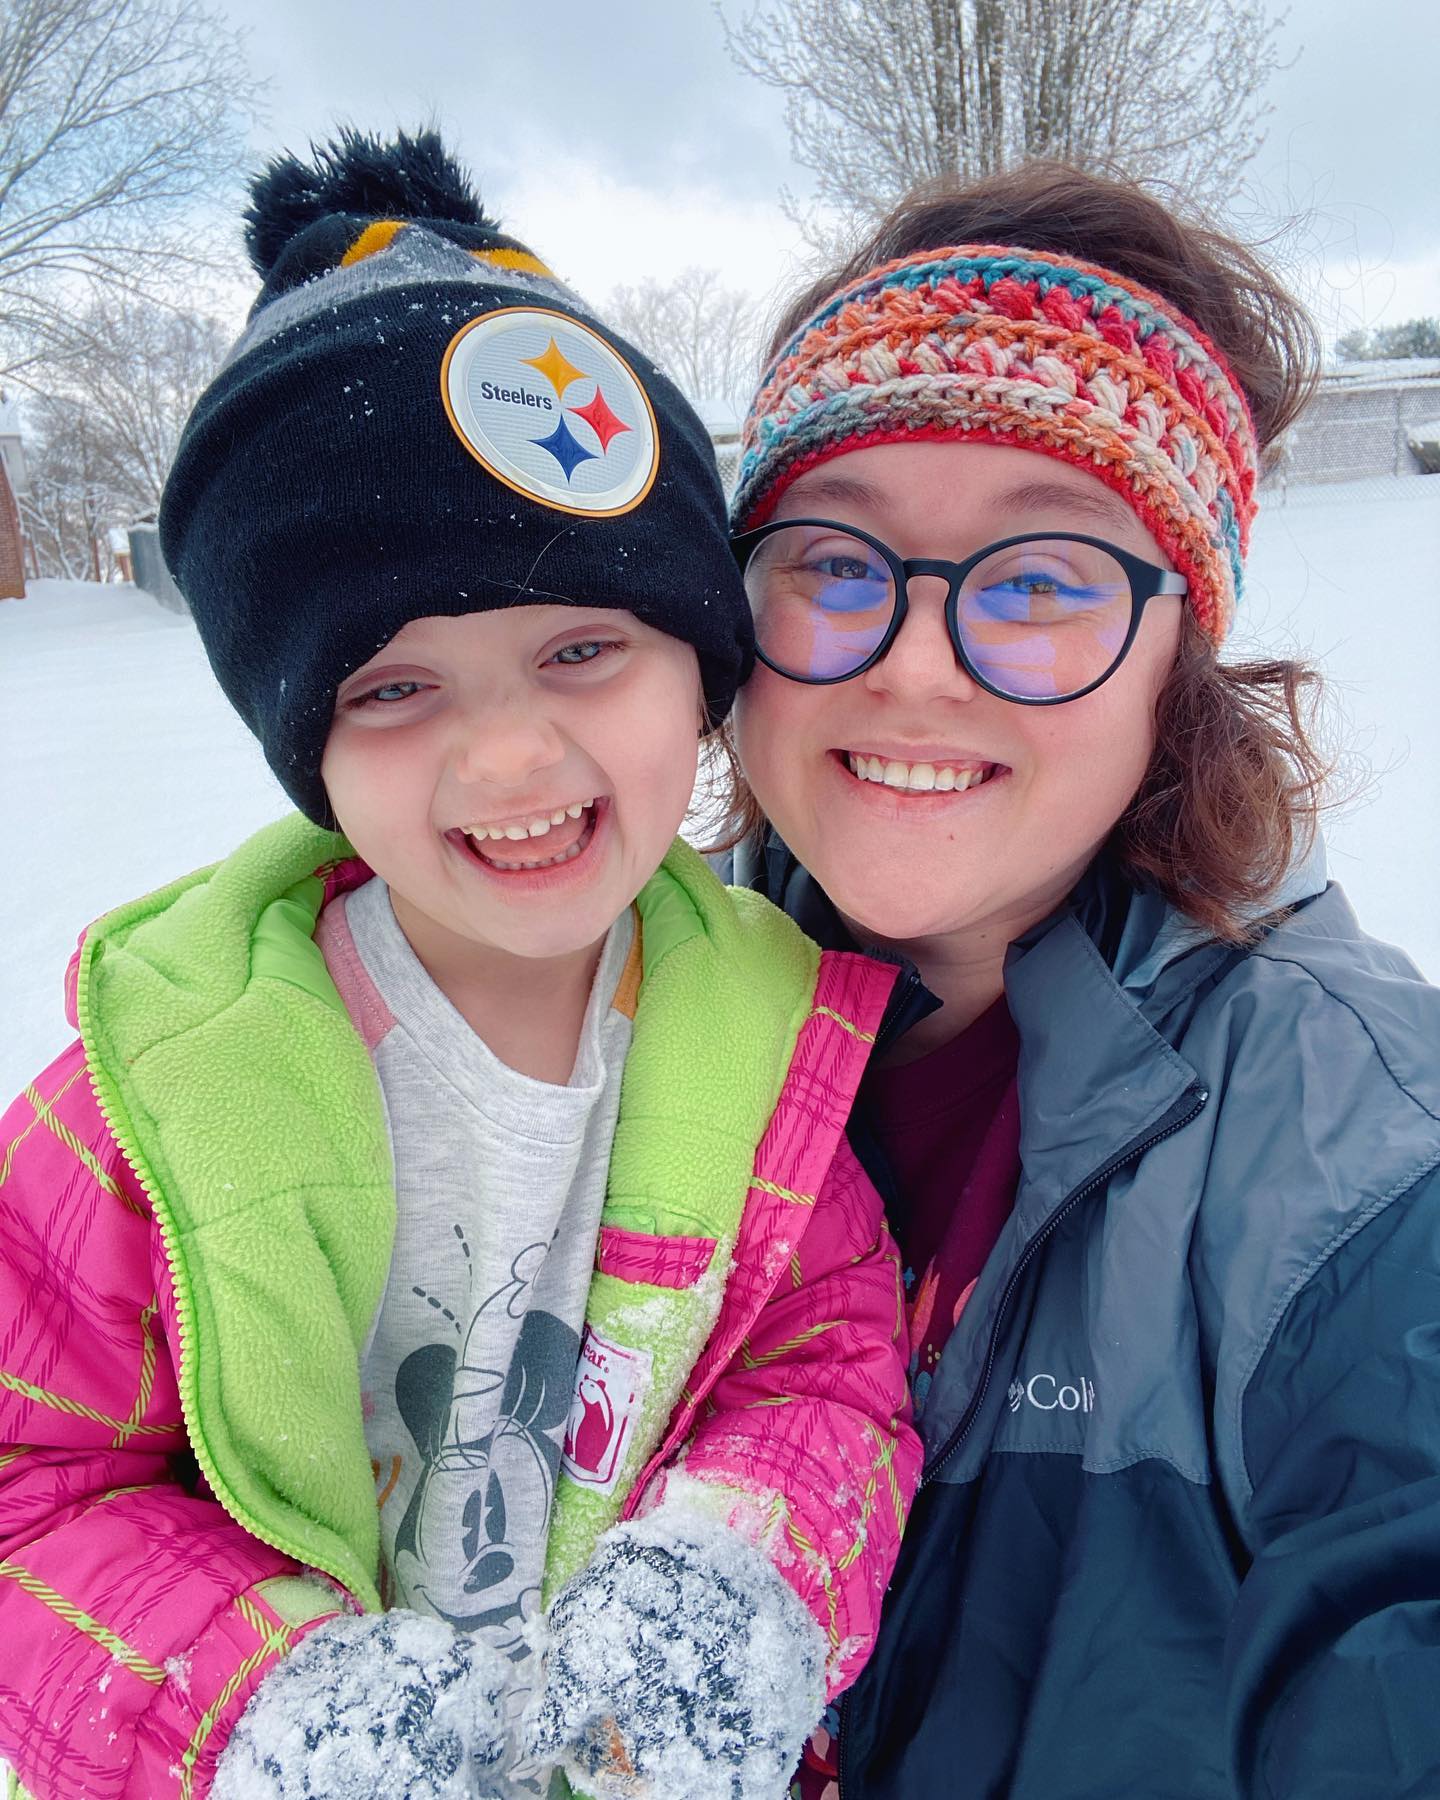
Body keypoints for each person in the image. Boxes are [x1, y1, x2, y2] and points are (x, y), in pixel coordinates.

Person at [0, 131, 920, 1800]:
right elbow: (30, 1487)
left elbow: (826, 1365)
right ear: (309, 748)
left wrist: (739, 1576)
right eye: (396, 690)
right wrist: (268, 1716)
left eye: (582, 649)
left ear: (697, 670)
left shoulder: (767, 1042)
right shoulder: (154, 1105)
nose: (511, 762)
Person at [721, 162, 1440, 1799]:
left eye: (1040, 581)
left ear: (1176, 663)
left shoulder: (1365, 1154)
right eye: (834, 561)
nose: (909, 660)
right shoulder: (571, 1020)